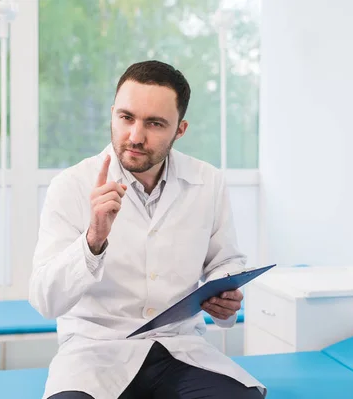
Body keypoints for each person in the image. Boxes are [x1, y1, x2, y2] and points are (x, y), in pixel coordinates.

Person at [29, 60, 266, 399]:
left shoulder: (207, 182)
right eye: (126, 118)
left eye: (154, 124)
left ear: (180, 130)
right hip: (95, 354)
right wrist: (93, 239)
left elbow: (224, 262)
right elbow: (44, 300)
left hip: (178, 348)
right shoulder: (70, 186)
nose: (135, 136)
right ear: (112, 113)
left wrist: (226, 299)